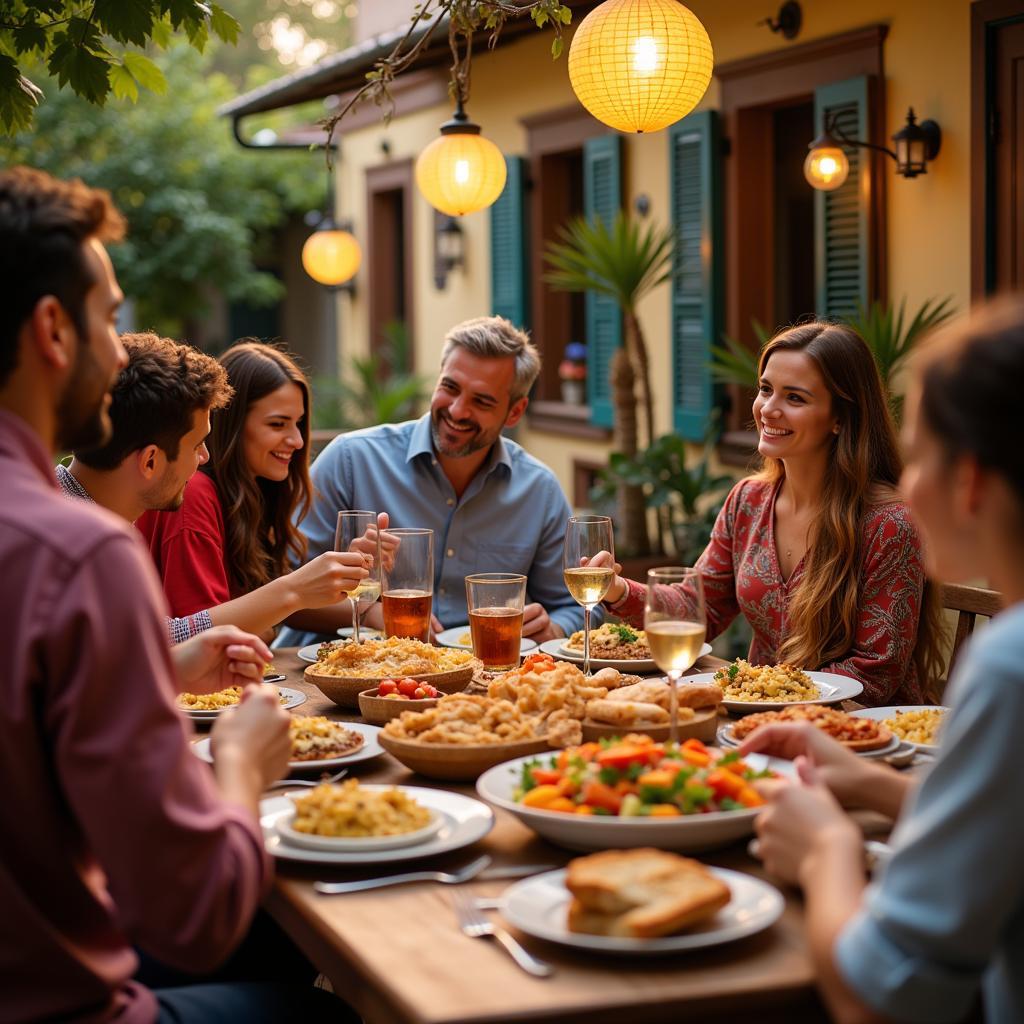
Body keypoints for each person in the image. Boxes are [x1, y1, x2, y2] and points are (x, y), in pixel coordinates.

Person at [0, 166, 343, 1019]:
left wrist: (159, 661)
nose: (119, 351)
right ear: (52, 330)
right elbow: (198, 912)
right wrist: (242, 762)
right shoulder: (75, 553)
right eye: (110, 318)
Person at [745, 298, 1024, 1024]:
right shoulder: (750, 500)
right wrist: (871, 785)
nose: (909, 481)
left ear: (967, 481)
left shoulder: (1010, 666)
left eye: (922, 452)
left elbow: (883, 996)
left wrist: (825, 847)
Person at [593, 321, 942, 706]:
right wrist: (617, 588)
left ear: (841, 418)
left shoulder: (890, 525)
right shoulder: (749, 501)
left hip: (858, 734)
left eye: (795, 398)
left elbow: (876, 671)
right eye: (765, 389)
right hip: (759, 716)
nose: (769, 409)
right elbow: (700, 610)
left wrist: (763, 693)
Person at [278, 315, 592, 650]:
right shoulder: (352, 460)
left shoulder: (538, 490)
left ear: (515, 412)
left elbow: (573, 605)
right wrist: (371, 609)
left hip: (474, 681)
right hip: (331, 680)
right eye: (450, 388)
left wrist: (553, 629)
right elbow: (282, 592)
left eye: (482, 401)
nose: (457, 411)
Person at [61, 330, 364, 646]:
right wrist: (290, 592)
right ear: (150, 461)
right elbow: (163, 642)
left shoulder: (101, 523)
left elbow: (153, 636)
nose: (205, 457)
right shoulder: (67, 540)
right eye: (197, 445)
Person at [136, 340, 370, 637]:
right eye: (277, 424)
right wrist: (290, 595)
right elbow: (201, 638)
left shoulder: (251, 493)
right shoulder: (193, 495)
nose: (297, 441)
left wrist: (351, 583)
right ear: (232, 425)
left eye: (298, 423)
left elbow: (279, 606)